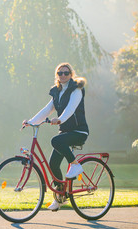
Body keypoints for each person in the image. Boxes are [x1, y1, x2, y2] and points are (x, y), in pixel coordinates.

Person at [22, 62, 89, 211]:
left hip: (79, 132)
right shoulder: (57, 92)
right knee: (53, 165)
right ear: (57, 76)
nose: (63, 75)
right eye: (60, 73)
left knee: (55, 140)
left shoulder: (76, 89)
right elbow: (47, 110)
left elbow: (71, 109)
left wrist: (60, 120)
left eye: (66, 73)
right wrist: (31, 122)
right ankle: (60, 197)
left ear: (71, 74)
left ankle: (76, 165)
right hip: (65, 133)